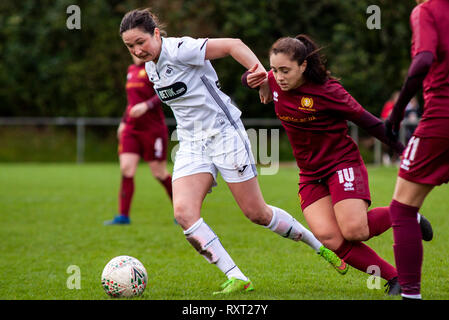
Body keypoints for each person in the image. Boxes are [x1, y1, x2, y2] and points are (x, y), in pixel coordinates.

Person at [119, 8, 348, 295]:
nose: (137, 50)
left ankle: (318, 245)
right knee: (183, 213)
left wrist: (262, 76)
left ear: (155, 33)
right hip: (191, 143)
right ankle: (236, 276)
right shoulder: (151, 67)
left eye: (141, 42)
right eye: (130, 46)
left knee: (257, 213)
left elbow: (233, 45)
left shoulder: (181, 49)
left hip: (224, 134)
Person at [243, 34, 433, 296]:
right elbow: (252, 77)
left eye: (285, 70)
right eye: (274, 69)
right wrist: (253, 80)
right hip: (310, 174)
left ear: (303, 66)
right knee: (330, 238)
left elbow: (371, 123)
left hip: (341, 164)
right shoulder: (274, 82)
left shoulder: (329, 91)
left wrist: (405, 151)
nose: (279, 76)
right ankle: (394, 278)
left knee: (355, 231)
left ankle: (405, 214)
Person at [385, 0, 449, 300]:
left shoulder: (427, 10)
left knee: (402, 209)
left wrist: (396, 113)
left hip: (442, 122)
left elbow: (423, 59)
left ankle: (411, 296)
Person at [104, 54, 173, 225]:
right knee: (126, 169)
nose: (135, 51)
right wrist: (123, 122)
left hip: (153, 129)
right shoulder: (131, 70)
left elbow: (164, 92)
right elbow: (131, 102)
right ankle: (123, 216)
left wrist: (146, 105)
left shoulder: (154, 68)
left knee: (159, 173)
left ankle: (182, 210)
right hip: (131, 129)